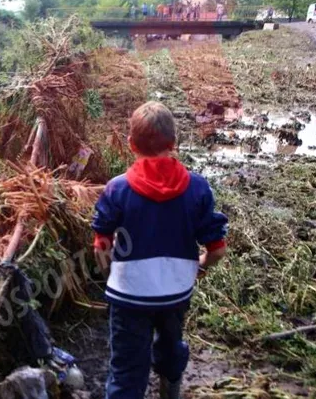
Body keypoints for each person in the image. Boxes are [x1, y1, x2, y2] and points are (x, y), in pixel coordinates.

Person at [92, 101, 228, 399]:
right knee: (170, 342)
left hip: (128, 297)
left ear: (130, 144)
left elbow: (101, 246)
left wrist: (110, 276)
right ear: (174, 143)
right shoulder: (198, 189)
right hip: (176, 293)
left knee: (127, 372)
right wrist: (199, 268)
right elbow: (217, 250)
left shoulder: (116, 189)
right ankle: (171, 385)